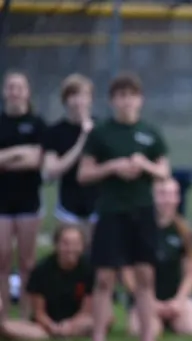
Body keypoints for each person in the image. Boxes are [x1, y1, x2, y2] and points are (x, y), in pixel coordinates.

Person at [77, 72, 170, 341]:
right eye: (121, 96)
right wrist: (112, 167)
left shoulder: (149, 133)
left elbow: (164, 171)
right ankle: (98, 335)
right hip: (111, 212)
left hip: (142, 212)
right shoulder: (102, 132)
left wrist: (144, 165)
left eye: (131, 96)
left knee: (144, 278)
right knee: (104, 278)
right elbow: (84, 174)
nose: (126, 102)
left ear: (140, 100)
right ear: (112, 101)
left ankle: (148, 335)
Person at [122, 178, 192, 337]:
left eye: (172, 194)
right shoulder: (136, 229)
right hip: (145, 299)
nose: (168, 200)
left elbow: (191, 274)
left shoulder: (184, 231)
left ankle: (175, 317)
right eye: (162, 194)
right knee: (147, 331)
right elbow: (127, 275)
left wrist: (179, 300)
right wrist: (150, 302)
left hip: (175, 299)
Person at [0, 71, 45, 319]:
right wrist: (19, 152)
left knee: (27, 263)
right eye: (10, 87)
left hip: (29, 202)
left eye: (19, 87)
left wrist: (5, 158)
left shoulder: (37, 124)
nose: (15, 91)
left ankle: (27, 316)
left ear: (27, 92)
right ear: (5, 92)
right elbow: (26, 156)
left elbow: (37, 160)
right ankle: (3, 316)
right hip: (2, 204)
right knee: (2, 262)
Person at [0, 226, 93, 339]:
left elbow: (86, 309)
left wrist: (70, 324)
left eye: (76, 244)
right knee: (7, 327)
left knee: (102, 318)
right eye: (65, 243)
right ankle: (55, 333)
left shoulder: (89, 269)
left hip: (78, 320)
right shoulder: (41, 270)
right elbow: (39, 312)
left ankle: (68, 332)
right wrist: (51, 325)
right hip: (46, 323)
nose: (70, 249)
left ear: (82, 246)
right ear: (56, 245)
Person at [42, 74, 96, 245]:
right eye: (73, 95)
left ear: (90, 99)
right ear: (65, 100)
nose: (78, 101)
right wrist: (82, 140)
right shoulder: (55, 132)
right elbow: (51, 171)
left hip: (97, 206)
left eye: (83, 95)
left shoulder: (101, 128)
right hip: (68, 207)